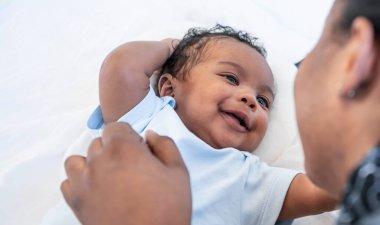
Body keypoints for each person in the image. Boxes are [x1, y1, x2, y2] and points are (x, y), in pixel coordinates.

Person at [60, 22, 352, 225]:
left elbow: (320, 191)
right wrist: (170, 47)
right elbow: (121, 67)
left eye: (263, 101)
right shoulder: (151, 116)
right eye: (231, 78)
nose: (250, 99)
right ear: (169, 88)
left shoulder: (249, 176)